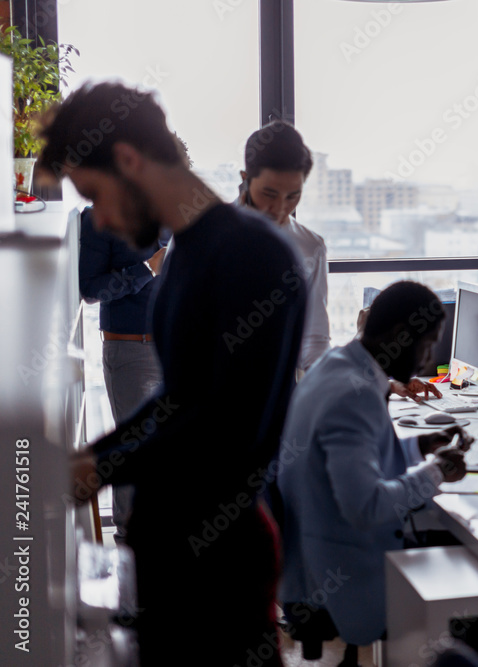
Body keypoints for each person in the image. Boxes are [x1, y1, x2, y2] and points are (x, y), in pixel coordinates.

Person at [41, 81, 306, 666]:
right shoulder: (190, 249)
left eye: (96, 195)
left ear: (129, 161)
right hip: (174, 557)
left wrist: (98, 466)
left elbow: (217, 425)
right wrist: (91, 460)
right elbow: (177, 400)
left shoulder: (256, 257)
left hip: (220, 568)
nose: (103, 222)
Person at [279, 280, 471, 648]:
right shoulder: (357, 395)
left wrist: (420, 447)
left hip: (313, 552)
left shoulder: (336, 364)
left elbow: (357, 458)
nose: (428, 360)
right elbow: (365, 506)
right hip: (342, 573)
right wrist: (437, 472)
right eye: (427, 344)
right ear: (400, 335)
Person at [78, 207, 165, 544]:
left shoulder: (177, 213)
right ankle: (131, 554)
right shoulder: (102, 216)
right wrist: (146, 269)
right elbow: (90, 289)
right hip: (132, 352)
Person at [240, 120, 330, 374]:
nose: (280, 209)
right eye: (269, 194)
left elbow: (314, 339)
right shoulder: (202, 235)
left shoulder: (310, 247)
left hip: (283, 395)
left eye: (292, 196)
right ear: (245, 179)